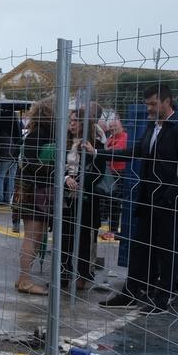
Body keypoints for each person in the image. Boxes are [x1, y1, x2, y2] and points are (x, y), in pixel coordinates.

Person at [103, 84, 178, 314]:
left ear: (167, 102)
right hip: (147, 198)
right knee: (139, 246)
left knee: (166, 250)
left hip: (167, 202)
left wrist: (168, 198)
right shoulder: (151, 127)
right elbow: (137, 150)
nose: (149, 108)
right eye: (147, 104)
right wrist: (100, 154)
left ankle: (162, 297)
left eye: (153, 104)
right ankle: (132, 292)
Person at [60, 108, 109, 291]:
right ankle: (63, 273)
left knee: (84, 238)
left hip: (87, 196)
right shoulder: (63, 141)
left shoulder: (95, 144)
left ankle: (83, 275)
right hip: (66, 196)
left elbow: (99, 171)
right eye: (70, 120)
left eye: (76, 121)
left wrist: (81, 183)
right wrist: (66, 179)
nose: (72, 124)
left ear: (85, 124)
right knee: (64, 235)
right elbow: (56, 165)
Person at [14, 98, 56, 295]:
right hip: (35, 192)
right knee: (32, 236)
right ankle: (24, 279)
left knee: (36, 236)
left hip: (33, 192)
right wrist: (55, 169)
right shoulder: (39, 135)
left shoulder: (37, 134)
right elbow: (31, 166)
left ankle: (24, 278)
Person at [102, 115, 129, 240]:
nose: (112, 130)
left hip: (120, 172)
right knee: (109, 200)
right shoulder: (111, 137)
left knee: (115, 201)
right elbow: (106, 149)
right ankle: (108, 226)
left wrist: (108, 150)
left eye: (114, 127)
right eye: (111, 128)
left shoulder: (125, 137)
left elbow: (119, 149)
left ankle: (113, 229)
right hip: (110, 172)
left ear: (120, 126)